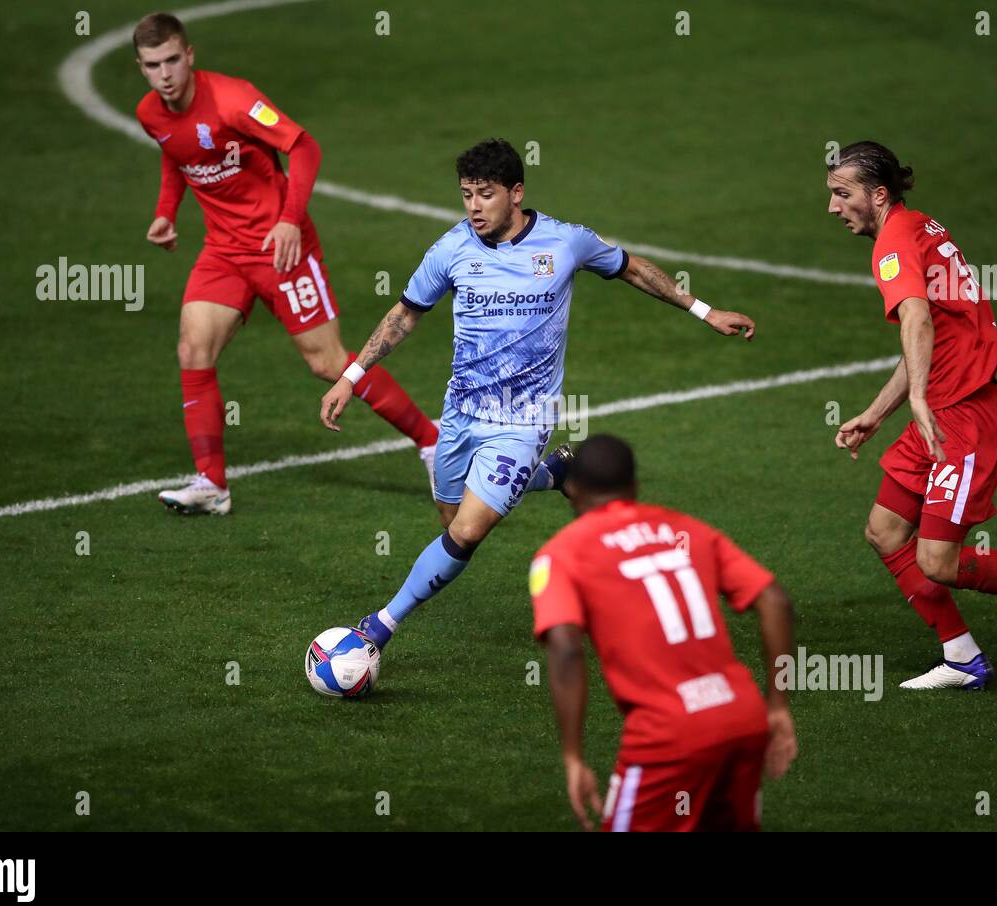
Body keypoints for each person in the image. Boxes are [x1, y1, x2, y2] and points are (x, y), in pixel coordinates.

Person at [320, 139, 756, 650]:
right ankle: (554, 473)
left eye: (485, 194)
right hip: (461, 412)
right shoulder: (451, 250)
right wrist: (351, 376)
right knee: (452, 518)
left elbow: (632, 267)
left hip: (525, 416)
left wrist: (704, 310)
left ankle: (377, 627)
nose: (474, 206)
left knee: (467, 533)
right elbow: (406, 313)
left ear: (516, 192)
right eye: (466, 195)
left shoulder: (565, 242)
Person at [133, 12, 438, 515]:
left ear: (189, 56)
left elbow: (303, 145)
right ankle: (212, 485)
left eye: (171, 60)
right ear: (141, 68)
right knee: (193, 350)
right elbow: (176, 153)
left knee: (326, 362)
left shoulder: (234, 100)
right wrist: (166, 213)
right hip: (223, 251)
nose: (164, 74)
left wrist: (291, 220)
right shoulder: (151, 113)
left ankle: (430, 441)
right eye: (151, 65)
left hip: (282, 248)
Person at [825, 140, 997, 689]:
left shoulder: (893, 245)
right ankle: (962, 657)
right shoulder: (920, 226)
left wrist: (922, 400)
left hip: (963, 419)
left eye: (842, 194)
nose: (834, 207)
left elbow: (918, 322)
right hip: (942, 411)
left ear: (877, 194)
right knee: (884, 531)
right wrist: (879, 413)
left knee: (938, 561)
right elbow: (930, 341)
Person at [531, 434, 797, 831]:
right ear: (635, 488)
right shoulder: (685, 529)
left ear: (573, 489)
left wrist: (573, 756)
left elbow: (567, 649)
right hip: (742, 717)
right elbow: (775, 600)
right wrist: (776, 704)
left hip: (668, 735)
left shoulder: (561, 554)